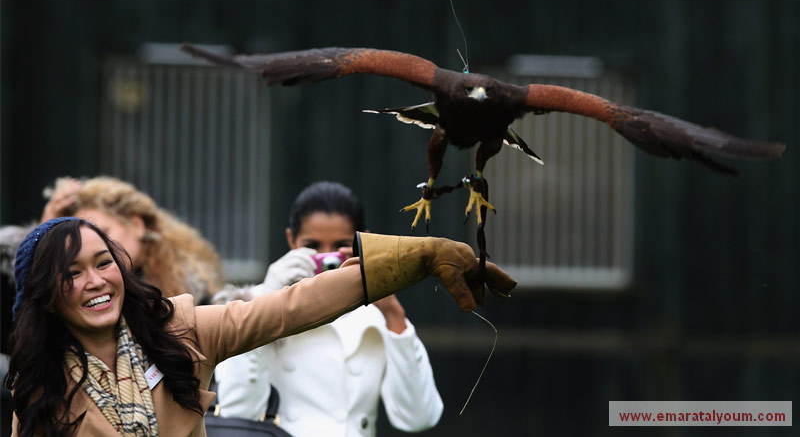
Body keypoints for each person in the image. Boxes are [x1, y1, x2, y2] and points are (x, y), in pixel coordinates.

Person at [4, 216, 515, 437]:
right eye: (71, 273)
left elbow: (292, 307)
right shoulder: (38, 388)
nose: (95, 281)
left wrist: (418, 256)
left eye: (102, 262)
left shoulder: (179, 330)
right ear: (46, 297)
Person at [214, 182, 443, 436]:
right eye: (312, 246)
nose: (328, 258)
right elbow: (237, 409)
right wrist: (266, 303)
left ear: (363, 241)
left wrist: (393, 314)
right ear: (292, 240)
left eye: (340, 246)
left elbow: (418, 417)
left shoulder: (376, 313)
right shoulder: (256, 302)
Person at [41, 176, 224, 304]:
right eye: (82, 239)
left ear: (137, 225)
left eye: (103, 233)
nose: (95, 244)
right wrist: (43, 242)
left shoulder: (194, 291)